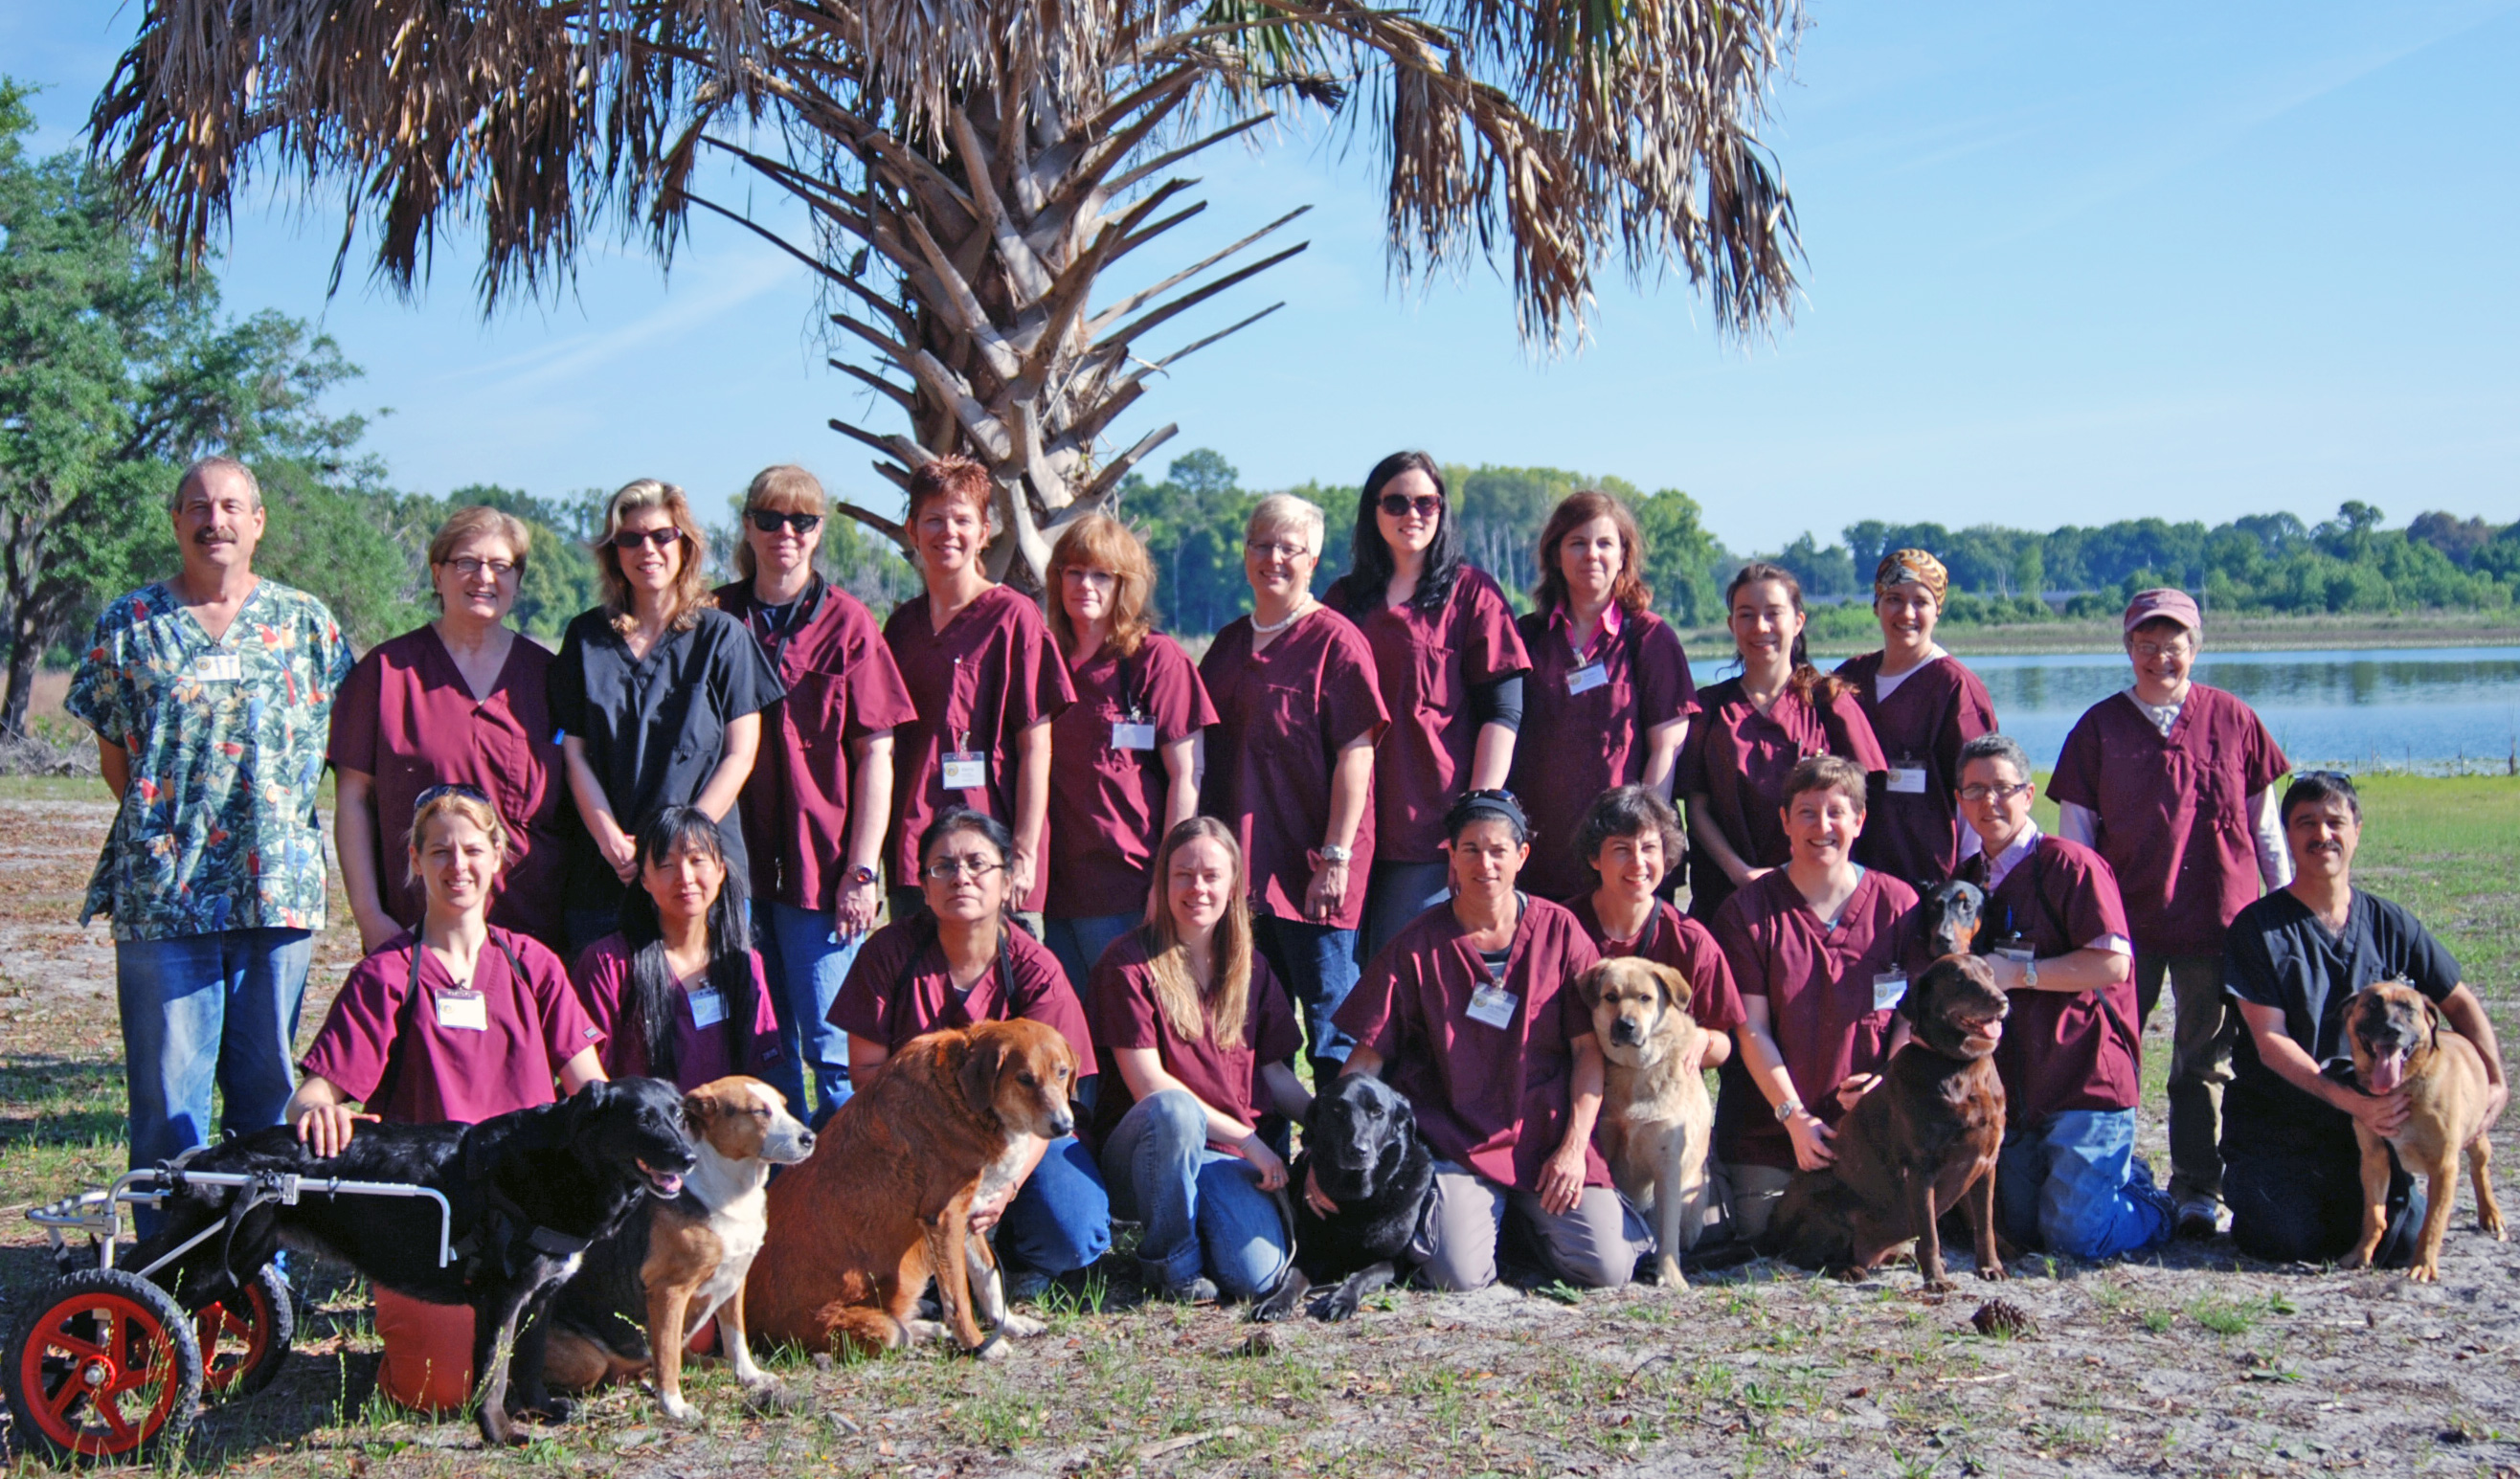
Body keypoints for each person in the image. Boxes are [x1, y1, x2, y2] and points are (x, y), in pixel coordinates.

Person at [66, 456, 354, 1215]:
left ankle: (257, 1282)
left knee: (266, 1100)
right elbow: (117, 757)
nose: (214, 519)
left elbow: (336, 750)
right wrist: (175, 839)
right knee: (169, 1104)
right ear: (176, 521)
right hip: (164, 902)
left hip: (278, 897)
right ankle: (163, 1283)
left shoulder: (307, 624)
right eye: (197, 505)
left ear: (258, 523)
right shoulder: (128, 625)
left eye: (231, 505)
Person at [287, 786, 605, 1411]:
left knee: (587, 1361)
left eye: (471, 849)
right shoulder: (386, 974)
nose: (457, 865)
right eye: (439, 851)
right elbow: (313, 1094)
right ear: (415, 861)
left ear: (498, 857)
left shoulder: (534, 965)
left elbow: (592, 1094)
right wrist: (318, 1110)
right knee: (438, 1390)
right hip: (431, 1218)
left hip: (526, 1216)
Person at [1331, 790, 1649, 1291]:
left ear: (1522, 857)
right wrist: (1324, 1154)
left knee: (1606, 1269)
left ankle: (1522, 1223)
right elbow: (1367, 1058)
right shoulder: (1417, 945)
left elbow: (1590, 1051)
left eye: (1499, 850)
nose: (1486, 863)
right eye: (1471, 850)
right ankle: (1491, 1220)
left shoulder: (1561, 932)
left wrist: (1572, 1146)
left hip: (1545, 1137)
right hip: (1457, 1142)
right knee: (1458, 1277)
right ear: (1451, 857)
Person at [2050, 588, 2291, 1239]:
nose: (2162, 656)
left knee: (2202, 1062)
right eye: (2147, 644)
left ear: (2197, 645)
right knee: (2108, 1054)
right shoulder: (2098, 729)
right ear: (2128, 648)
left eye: (2174, 642)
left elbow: (2267, 832)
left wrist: (2283, 911)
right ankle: (2110, 1173)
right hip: (2122, 930)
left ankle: (2197, 1190)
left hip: (2219, 922)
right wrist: (2079, 925)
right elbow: (2077, 839)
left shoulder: (2233, 718)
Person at [2222, 771, 2509, 1265]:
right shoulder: (2258, 929)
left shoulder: (2391, 923)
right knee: (2287, 1240)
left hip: (2379, 1126)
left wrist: (2497, 1081)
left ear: (2357, 829)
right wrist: (2346, 1099)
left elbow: (2458, 1003)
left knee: (2399, 1243)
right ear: (2287, 835)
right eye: (2306, 823)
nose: (2322, 835)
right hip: (2283, 1123)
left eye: (2335, 821)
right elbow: (2270, 1041)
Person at [828, 808, 1111, 1290]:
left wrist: (1007, 1186)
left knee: (1074, 1235)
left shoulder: (1035, 967)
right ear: (923, 884)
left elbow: (1057, 1096)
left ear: (1006, 880)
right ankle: (919, 1261)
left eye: (978, 864)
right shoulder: (888, 953)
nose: (961, 877)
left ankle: (1004, 1246)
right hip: (915, 1138)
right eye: (944, 866)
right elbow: (866, 1073)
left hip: (1023, 1135)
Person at [713, 465, 915, 1119]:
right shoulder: (716, 618)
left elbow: (876, 756)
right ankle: (775, 1200)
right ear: (748, 527)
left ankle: (842, 1200)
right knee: (761, 1049)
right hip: (734, 870)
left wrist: (862, 870)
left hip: (820, 873)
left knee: (834, 1054)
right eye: (770, 519)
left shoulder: (850, 624)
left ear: (819, 530)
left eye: (801, 521)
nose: (785, 534)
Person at [1948, 733, 2172, 1259]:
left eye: (2003, 788)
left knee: (2074, 1237)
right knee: (2021, 1230)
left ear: (2029, 795)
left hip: (2085, 1080)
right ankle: (2105, 1176)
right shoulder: (1965, 882)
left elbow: (2113, 964)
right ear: (1959, 801)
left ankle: (2151, 1205)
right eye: (1975, 790)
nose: (1989, 802)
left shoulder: (2073, 866)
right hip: (2023, 1087)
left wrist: (2017, 975)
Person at [1199, 495, 1388, 1086]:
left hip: (1313, 871)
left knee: (1332, 1028)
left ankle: (1339, 1166)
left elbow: (1357, 755)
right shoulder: (1229, 645)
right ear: (1245, 552)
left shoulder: (1337, 642)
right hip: (1242, 874)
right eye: (1261, 544)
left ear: (1313, 560)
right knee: (1255, 1031)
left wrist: (1335, 858)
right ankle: (1272, 1166)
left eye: (1290, 547)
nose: (1273, 558)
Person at [551, 480, 785, 953]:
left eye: (662, 535)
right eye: (631, 538)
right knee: (604, 1020)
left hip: (699, 876)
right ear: (613, 552)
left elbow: (740, 754)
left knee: (710, 1019)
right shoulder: (585, 637)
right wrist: (610, 840)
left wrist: (677, 847)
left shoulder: (723, 636)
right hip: (607, 871)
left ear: (686, 544)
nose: (648, 549)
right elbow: (573, 753)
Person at [1087, 818, 1311, 1303]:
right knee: (1175, 1110)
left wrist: (1328, 1121)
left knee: (1256, 1277)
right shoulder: (1126, 963)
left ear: (1234, 885)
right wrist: (1250, 1141)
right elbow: (1149, 1085)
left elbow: (1274, 1073)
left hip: (1222, 1155)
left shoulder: (1250, 967)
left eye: (1212, 875)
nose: (1198, 888)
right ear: (1163, 882)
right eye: (1183, 874)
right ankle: (1172, 1264)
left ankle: (1206, 1225)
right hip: (1146, 1153)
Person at [333, 505, 568, 955]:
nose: (484, 577)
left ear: (517, 582)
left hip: (532, 939)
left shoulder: (552, 678)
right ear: (438, 575)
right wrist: (370, 917)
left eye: (501, 566)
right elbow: (352, 801)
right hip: (414, 938)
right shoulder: (385, 673)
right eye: (466, 562)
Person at [1325, 453, 1532, 957]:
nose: (1411, 514)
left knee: (1408, 977)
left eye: (1426, 502)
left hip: (1431, 830)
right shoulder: (1345, 599)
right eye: (1396, 502)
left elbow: (1502, 713)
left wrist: (1476, 818)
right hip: (1348, 828)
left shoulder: (1472, 593)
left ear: (1443, 512)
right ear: (1373, 512)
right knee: (1345, 988)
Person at [1708, 756, 1919, 1241]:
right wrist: (1794, 1117)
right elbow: (1751, 1028)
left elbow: (1911, 1017)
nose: (1822, 826)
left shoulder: (1898, 905)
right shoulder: (1749, 912)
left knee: (1873, 1235)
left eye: (1836, 812)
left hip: (1871, 1128)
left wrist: (1886, 1083)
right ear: (1784, 821)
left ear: (1860, 821)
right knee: (1770, 1233)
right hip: (1771, 1132)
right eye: (1806, 812)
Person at [883, 456, 1073, 923]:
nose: (948, 532)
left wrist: (1024, 854)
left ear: (985, 531)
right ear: (911, 530)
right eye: (934, 520)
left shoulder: (1013, 618)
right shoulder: (902, 628)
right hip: (918, 853)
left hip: (993, 856)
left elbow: (1036, 750)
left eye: (962, 519)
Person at [1043, 513, 1217, 991]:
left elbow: (1188, 774)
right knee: (1070, 1031)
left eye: (1102, 575)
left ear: (1127, 585)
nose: (1086, 585)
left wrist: (1169, 879)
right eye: (1074, 572)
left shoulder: (1156, 660)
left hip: (1129, 884)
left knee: (1129, 1022)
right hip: (1055, 888)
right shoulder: (1042, 659)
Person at [1508, 491, 1698, 902]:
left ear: (1623, 555)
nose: (1591, 555)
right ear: (1555, 554)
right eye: (1577, 542)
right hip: (1541, 849)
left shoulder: (1649, 637)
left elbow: (1667, 750)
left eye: (1604, 543)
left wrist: (1641, 841)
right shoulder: (1526, 637)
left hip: (1622, 856)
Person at [1678, 562, 1887, 924]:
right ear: (1731, 625)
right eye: (1746, 615)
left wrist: (1800, 873)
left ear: (1798, 622)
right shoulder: (1709, 709)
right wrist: (1740, 873)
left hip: (1818, 899)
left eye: (1773, 613)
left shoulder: (1829, 702)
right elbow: (1696, 810)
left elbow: (1863, 807)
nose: (1760, 627)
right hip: (1728, 899)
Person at [571, 806, 784, 1091]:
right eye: (666, 865)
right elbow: (591, 1081)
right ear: (643, 879)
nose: (685, 877)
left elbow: (757, 1068)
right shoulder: (609, 965)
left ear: (720, 870)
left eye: (697, 860)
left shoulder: (745, 962)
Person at [1835, 549, 1997, 889]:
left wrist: (1966, 882)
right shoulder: (1849, 679)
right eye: (1894, 598)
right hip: (1851, 874)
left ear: (1937, 610)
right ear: (1876, 604)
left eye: (1921, 601)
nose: (1906, 613)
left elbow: (1979, 790)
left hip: (1928, 877)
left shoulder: (1955, 687)